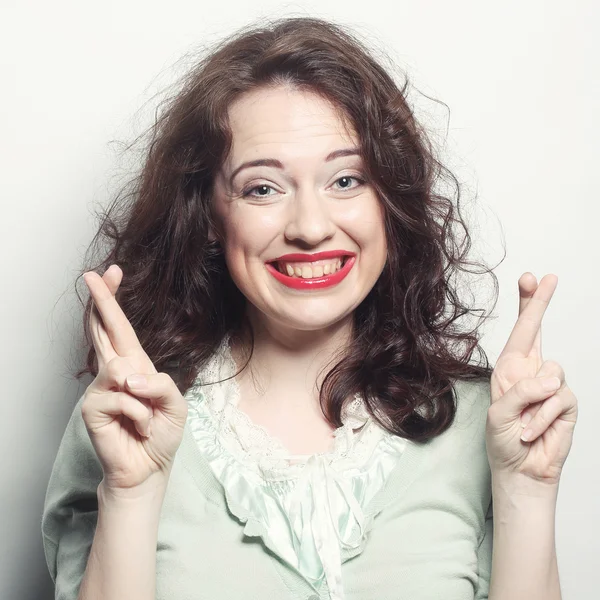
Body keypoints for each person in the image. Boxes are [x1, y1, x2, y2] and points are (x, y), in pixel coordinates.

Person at [41, 16, 578, 600]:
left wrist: (527, 488)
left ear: (389, 202)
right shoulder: (129, 418)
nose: (312, 228)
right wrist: (131, 493)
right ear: (211, 218)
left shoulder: (485, 424)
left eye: (346, 180)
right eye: (263, 188)